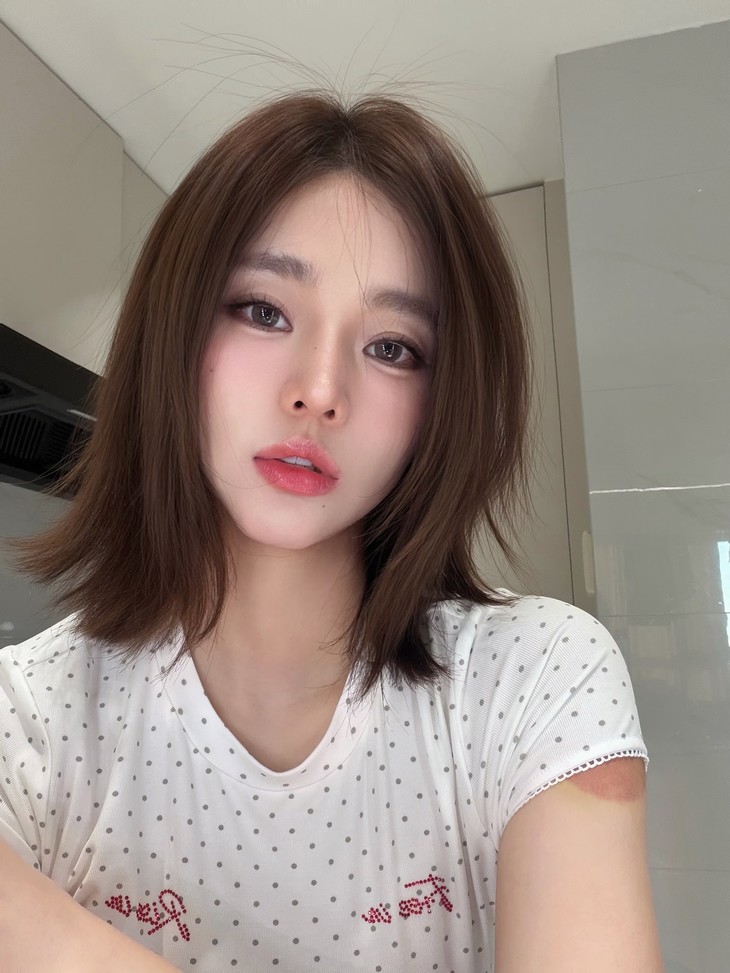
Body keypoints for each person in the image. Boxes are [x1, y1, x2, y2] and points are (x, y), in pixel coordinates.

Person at [0, 90, 663, 972]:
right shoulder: (29, 714)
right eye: (263, 310)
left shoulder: (536, 679)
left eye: (392, 347)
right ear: (173, 331)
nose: (319, 390)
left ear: (443, 403)